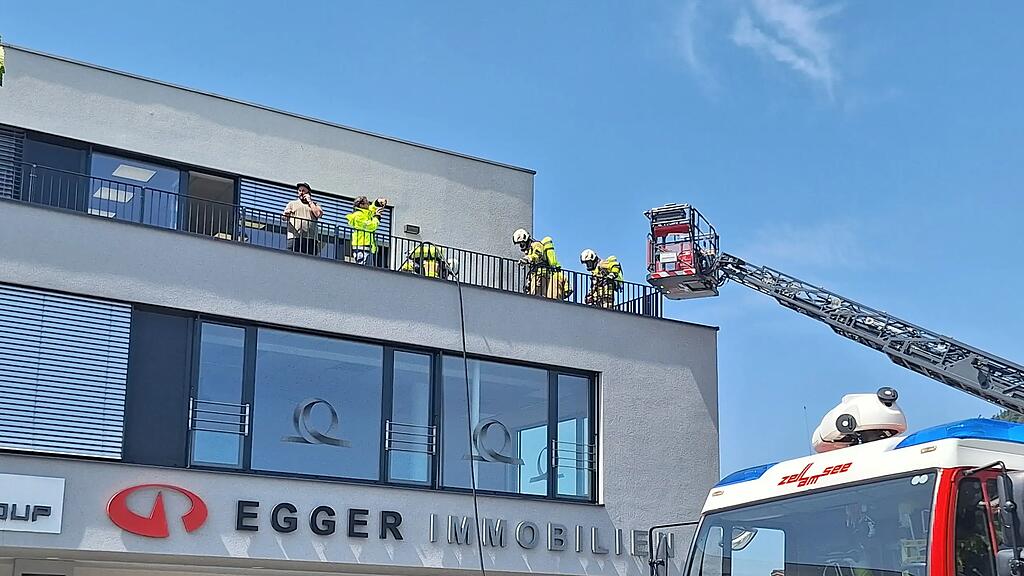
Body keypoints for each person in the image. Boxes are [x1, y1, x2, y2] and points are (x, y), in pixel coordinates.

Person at [512, 228, 572, 300]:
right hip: (537, 275)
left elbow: (537, 255)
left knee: (536, 298)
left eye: (522, 244)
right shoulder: (530, 249)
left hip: (540, 275)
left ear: (526, 239)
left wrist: (528, 259)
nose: (521, 246)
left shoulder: (536, 245)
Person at [281, 182, 324, 255]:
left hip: (311, 239)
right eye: (299, 190)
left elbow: (318, 214)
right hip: (295, 237)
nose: (301, 192)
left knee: (310, 261)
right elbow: (284, 217)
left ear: (308, 193)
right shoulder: (292, 203)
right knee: (291, 258)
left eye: (303, 191)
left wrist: (310, 202)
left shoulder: (315, 205)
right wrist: (286, 214)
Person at [346, 196, 386, 265]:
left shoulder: (365, 213)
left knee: (368, 271)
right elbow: (371, 226)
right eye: (367, 203)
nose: (368, 204)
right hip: (362, 246)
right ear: (361, 205)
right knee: (363, 270)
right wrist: (377, 217)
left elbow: (372, 208)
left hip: (367, 247)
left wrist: (378, 202)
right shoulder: (358, 216)